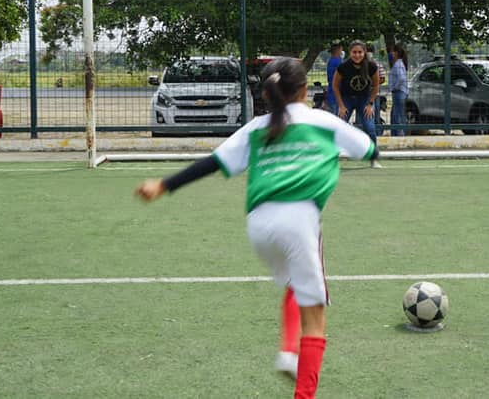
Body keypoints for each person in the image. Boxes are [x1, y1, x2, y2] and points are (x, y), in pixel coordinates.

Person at [135, 58, 378, 399]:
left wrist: (163, 185)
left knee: (295, 283)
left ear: (267, 93)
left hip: (259, 225)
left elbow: (212, 163)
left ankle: (288, 351)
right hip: (299, 220)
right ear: (304, 90)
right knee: (315, 320)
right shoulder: (322, 121)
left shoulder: (256, 128)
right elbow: (369, 149)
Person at [333, 40, 381, 167]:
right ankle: (332, 158)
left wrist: (370, 104)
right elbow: (335, 86)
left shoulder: (371, 66)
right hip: (347, 99)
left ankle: (373, 158)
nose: (357, 55)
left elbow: (376, 86)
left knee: (370, 128)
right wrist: (341, 106)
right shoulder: (343, 67)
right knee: (339, 126)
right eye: (354, 52)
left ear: (364, 52)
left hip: (364, 99)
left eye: (360, 52)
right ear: (350, 53)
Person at [388, 44, 409, 137]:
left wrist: (394, 87)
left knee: (398, 115)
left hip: (398, 92)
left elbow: (401, 78)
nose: (391, 53)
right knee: (396, 114)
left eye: (392, 51)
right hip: (400, 92)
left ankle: (400, 135)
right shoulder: (399, 63)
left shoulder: (398, 64)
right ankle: (396, 134)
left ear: (396, 53)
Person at [325, 43, 343, 114]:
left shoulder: (331, 61)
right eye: (341, 50)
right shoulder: (338, 62)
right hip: (338, 93)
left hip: (331, 92)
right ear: (338, 50)